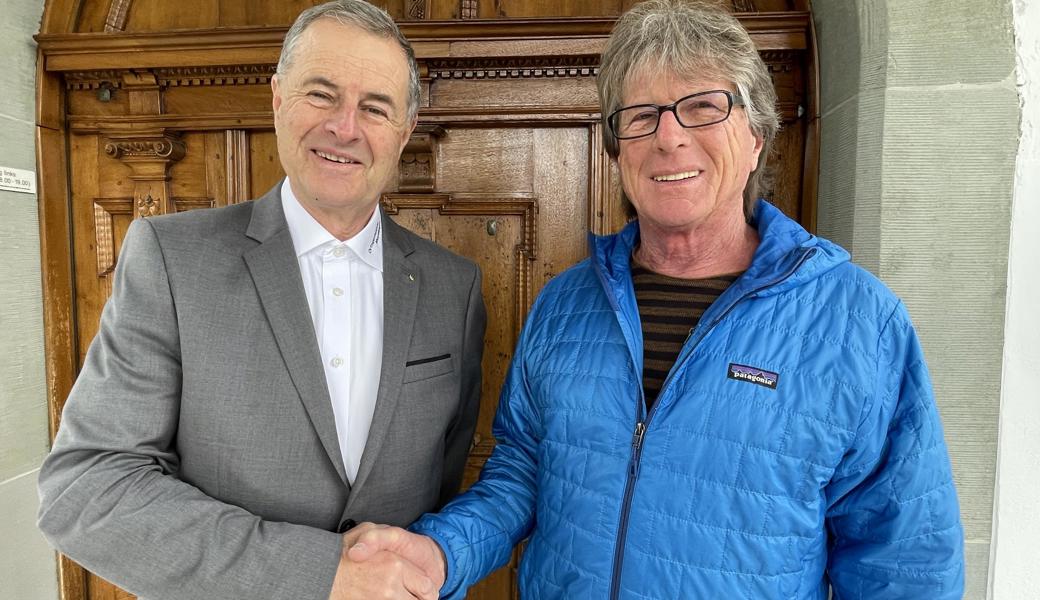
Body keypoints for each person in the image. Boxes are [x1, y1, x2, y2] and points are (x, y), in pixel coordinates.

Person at [347, 1, 965, 598]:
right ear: (617, 150)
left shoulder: (859, 322)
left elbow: (905, 563)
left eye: (703, 107)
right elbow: (524, 472)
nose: (669, 136)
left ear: (756, 137)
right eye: (641, 115)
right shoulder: (565, 305)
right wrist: (442, 552)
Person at [36, 2, 485, 599]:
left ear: (404, 131)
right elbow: (87, 487)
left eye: (375, 108)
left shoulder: (455, 287)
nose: (345, 127)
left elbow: (443, 484)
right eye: (321, 95)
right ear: (277, 98)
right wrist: (322, 573)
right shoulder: (173, 260)